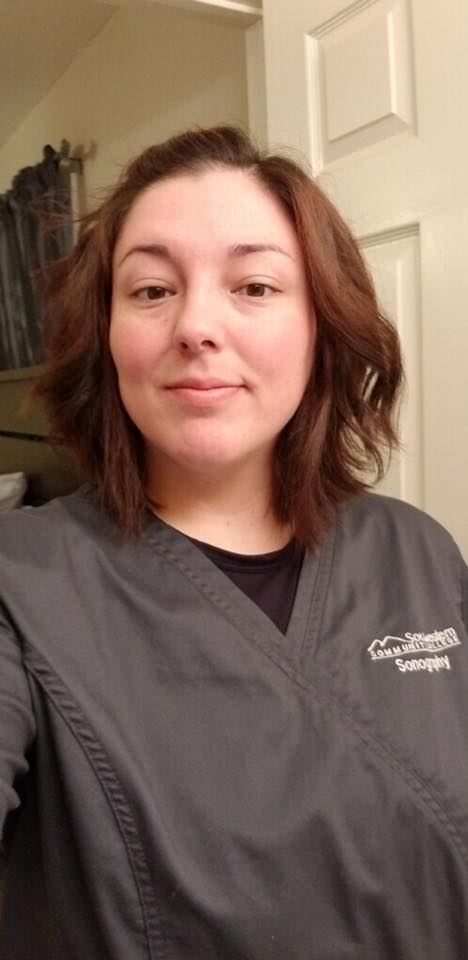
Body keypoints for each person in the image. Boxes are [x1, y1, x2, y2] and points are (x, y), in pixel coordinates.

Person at [0, 125, 467, 960]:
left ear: (322, 325)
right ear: (105, 337)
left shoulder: (421, 551)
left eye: (254, 285)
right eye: (150, 291)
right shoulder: (20, 580)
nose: (197, 326)